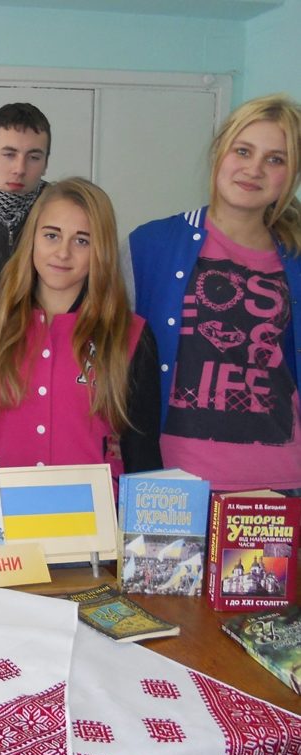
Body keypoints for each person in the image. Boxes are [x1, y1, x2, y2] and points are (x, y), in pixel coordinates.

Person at [122, 94, 301, 493]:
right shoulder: (150, 244)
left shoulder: (296, 259)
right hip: (169, 482)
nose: (254, 169)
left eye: (275, 159)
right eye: (243, 151)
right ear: (220, 152)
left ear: (291, 175)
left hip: (279, 484)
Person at [0, 178, 162, 488]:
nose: (63, 253)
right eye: (52, 235)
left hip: (96, 514)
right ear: (32, 239)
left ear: (101, 250)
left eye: (82, 241)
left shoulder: (129, 335)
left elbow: (142, 452)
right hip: (6, 511)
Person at [0, 102, 51, 291]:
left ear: (45, 164)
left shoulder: (59, 212)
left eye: (33, 157)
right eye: (9, 154)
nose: (20, 169)